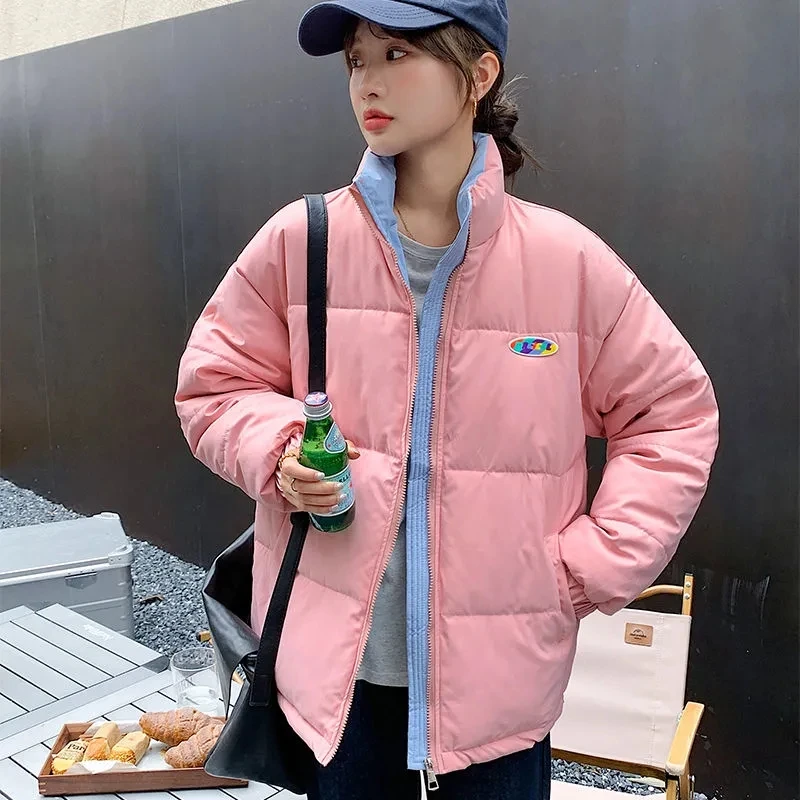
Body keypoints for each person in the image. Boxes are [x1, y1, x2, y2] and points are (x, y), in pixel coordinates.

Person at [174, 1, 719, 797]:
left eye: (397, 55)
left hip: (499, 704)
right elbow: (214, 385)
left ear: (479, 74)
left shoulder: (565, 262)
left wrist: (582, 568)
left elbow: (673, 414)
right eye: (357, 60)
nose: (368, 83)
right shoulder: (303, 241)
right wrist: (281, 446)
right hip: (337, 696)